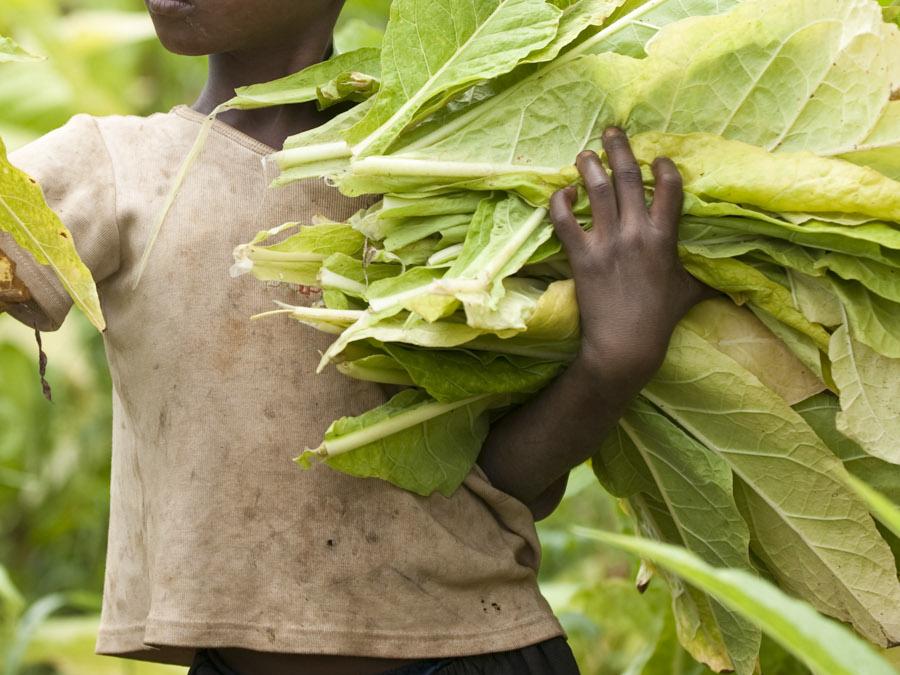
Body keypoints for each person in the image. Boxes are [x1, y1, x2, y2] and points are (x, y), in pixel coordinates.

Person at [0, 1, 711, 673]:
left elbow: (496, 484)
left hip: (478, 651)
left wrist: (613, 362)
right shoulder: (116, 166)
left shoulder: (446, 173)